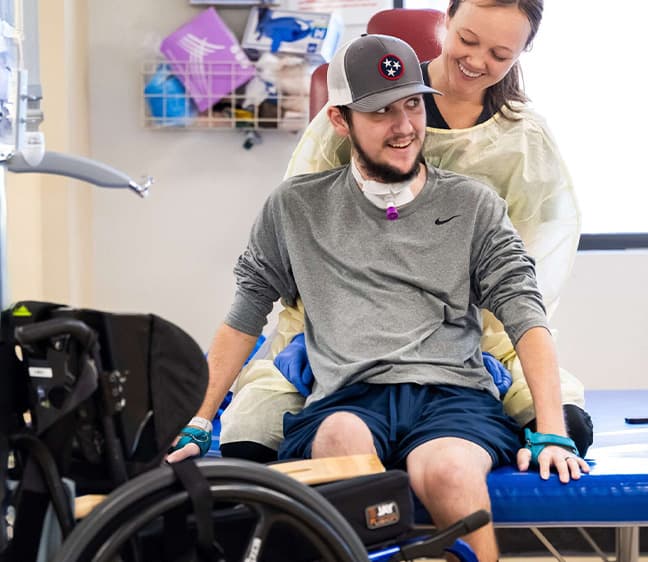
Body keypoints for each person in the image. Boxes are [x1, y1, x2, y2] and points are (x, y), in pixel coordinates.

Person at [167, 34, 588, 561]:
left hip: (451, 395)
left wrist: (552, 431)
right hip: (346, 394)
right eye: (381, 111)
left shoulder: (474, 204)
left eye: (412, 104)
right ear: (341, 121)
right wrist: (200, 417)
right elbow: (245, 313)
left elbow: (527, 314)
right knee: (341, 439)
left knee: (449, 470)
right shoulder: (296, 208)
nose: (405, 126)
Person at [219, 0, 594, 464]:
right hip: (341, 326)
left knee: (567, 424)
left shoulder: (523, 143)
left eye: (500, 54)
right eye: (468, 40)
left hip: (474, 333)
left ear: (524, 52)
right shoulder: (365, 98)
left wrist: (477, 340)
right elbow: (301, 226)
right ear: (445, 22)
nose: (477, 62)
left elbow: (527, 274)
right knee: (247, 440)